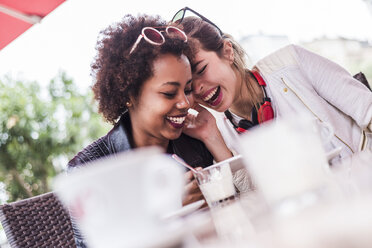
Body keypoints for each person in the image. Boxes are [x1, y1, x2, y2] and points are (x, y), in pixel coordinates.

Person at [67, 14, 232, 247]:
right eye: (168, 93)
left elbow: (234, 220)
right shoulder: (89, 170)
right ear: (129, 95)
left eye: (187, 89)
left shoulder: (193, 145)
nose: (185, 103)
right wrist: (164, 216)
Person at [171, 7, 372, 163]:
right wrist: (212, 137)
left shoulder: (292, 61)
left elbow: (368, 110)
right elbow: (251, 199)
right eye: (189, 86)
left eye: (201, 69)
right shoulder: (222, 129)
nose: (197, 89)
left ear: (227, 52)